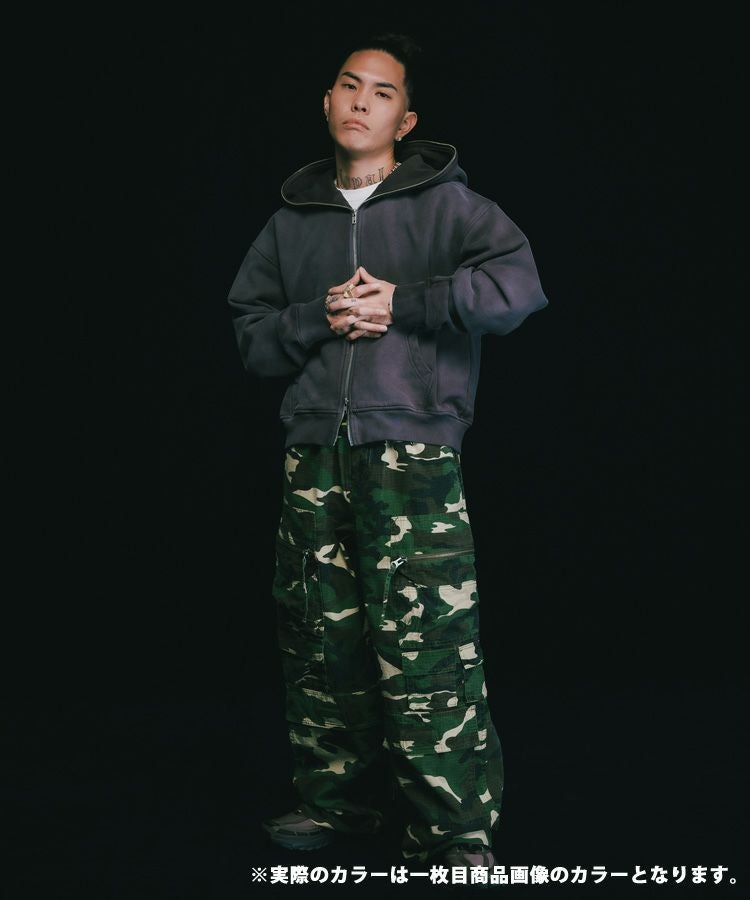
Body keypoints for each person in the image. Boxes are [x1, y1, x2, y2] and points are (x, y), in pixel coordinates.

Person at [227, 32, 548, 870]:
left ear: (405, 120)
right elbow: (252, 336)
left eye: (381, 91)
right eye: (348, 85)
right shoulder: (290, 223)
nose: (361, 101)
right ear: (327, 102)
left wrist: (408, 303)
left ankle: (455, 832)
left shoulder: (450, 208)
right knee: (318, 638)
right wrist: (317, 317)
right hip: (312, 458)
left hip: (412, 454)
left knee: (429, 644)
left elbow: (518, 288)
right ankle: (332, 804)